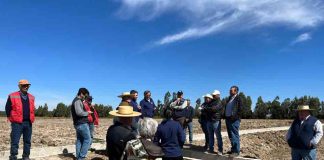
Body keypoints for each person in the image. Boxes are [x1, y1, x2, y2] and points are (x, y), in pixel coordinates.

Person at [5, 80, 35, 160]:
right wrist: (12, 119)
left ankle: (26, 157)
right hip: (17, 123)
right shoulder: (12, 95)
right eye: (23, 85)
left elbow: (32, 109)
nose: (26, 87)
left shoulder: (31, 97)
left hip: (28, 123)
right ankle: (13, 157)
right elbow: (7, 108)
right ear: (19, 86)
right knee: (15, 142)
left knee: (27, 142)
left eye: (27, 85)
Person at [71, 88, 92, 160]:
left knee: (79, 140)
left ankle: (78, 157)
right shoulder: (77, 101)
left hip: (78, 124)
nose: (85, 97)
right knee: (87, 139)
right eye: (85, 95)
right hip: (81, 124)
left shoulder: (78, 100)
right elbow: (79, 112)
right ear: (81, 93)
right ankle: (81, 157)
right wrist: (87, 113)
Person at [224, 86, 242, 157]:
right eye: (230, 90)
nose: (230, 91)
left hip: (234, 120)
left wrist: (235, 118)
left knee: (234, 135)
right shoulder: (229, 98)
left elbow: (240, 110)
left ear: (236, 91)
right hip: (228, 119)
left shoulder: (238, 99)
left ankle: (236, 151)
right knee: (231, 135)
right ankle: (233, 149)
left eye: (231, 91)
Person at [206, 90, 223, 154]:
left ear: (218, 95)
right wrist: (207, 108)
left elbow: (214, 109)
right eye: (212, 95)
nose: (213, 96)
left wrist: (207, 108)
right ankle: (211, 149)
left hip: (216, 121)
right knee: (210, 136)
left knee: (218, 136)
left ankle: (220, 150)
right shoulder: (212, 101)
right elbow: (208, 108)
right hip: (210, 120)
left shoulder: (219, 102)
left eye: (214, 95)